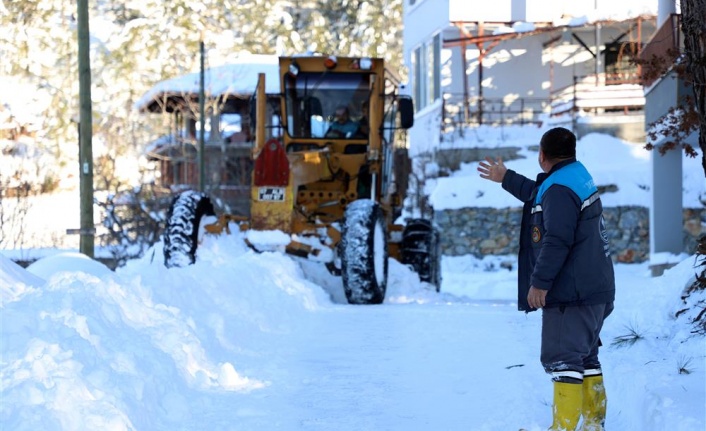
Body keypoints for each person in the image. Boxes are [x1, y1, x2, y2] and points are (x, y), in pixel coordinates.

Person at [477, 127, 615, 431]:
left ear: (542, 155)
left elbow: (557, 239)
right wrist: (507, 177)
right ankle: (593, 426)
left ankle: (562, 428)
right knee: (585, 357)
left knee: (564, 360)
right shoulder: (574, 176)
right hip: (594, 287)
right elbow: (540, 193)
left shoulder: (559, 189)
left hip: (573, 292)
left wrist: (539, 283)